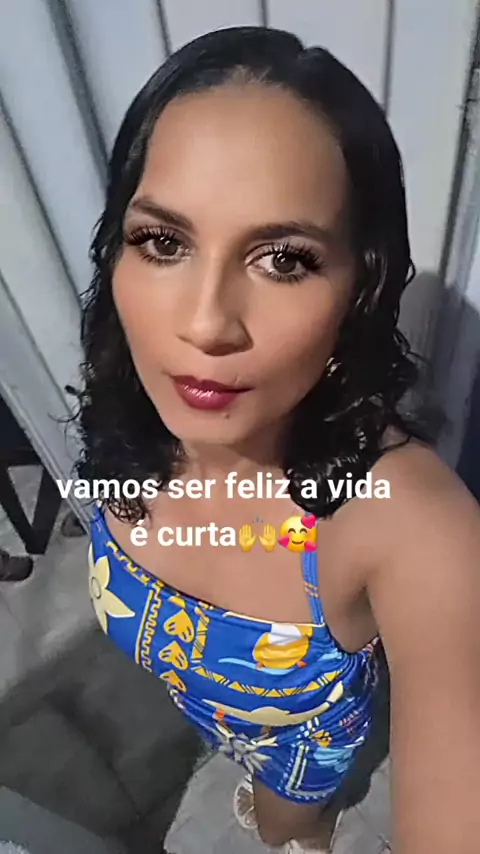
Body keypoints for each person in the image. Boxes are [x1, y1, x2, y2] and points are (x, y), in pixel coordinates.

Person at [78, 27, 480, 853]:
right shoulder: (134, 406)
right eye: (163, 242)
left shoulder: (413, 525)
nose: (205, 324)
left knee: (283, 831)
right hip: (211, 719)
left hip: (295, 768)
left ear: (361, 287)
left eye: (284, 260)